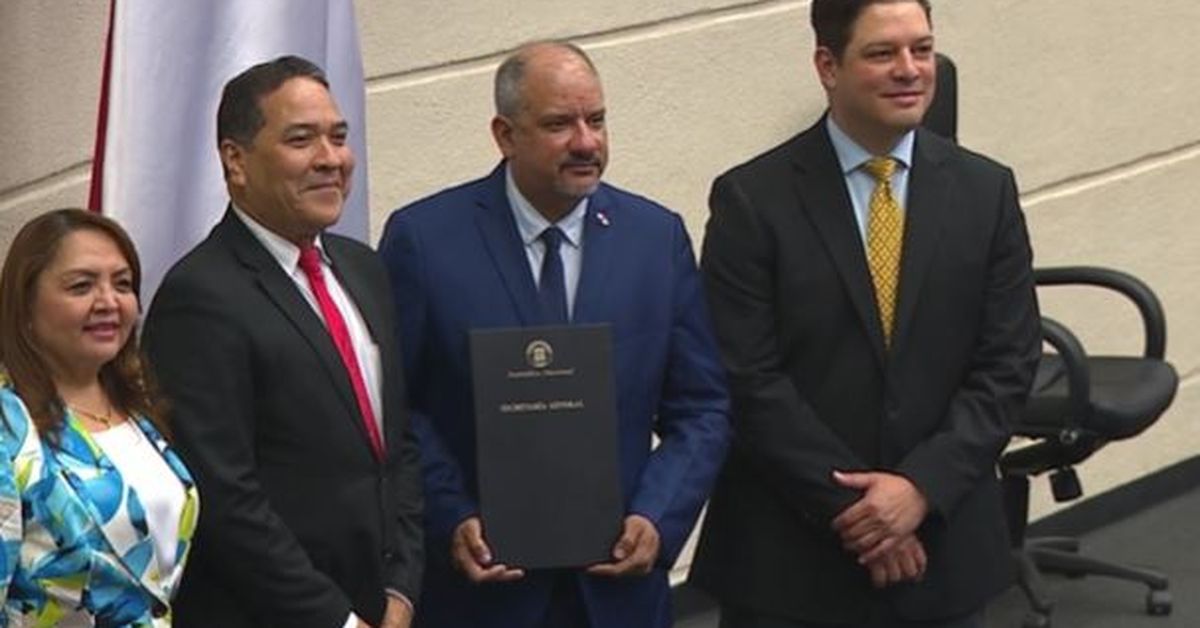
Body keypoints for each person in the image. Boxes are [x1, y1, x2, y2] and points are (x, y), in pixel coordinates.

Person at [688, 1, 1042, 627]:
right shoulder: (752, 200)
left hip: (943, 550)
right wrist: (861, 512)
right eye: (882, 53)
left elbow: (1008, 363)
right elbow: (747, 377)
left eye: (922, 49)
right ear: (828, 66)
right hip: (790, 561)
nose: (910, 69)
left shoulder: (986, 192)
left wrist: (919, 489)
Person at [378, 41, 730, 628]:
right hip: (481, 598)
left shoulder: (654, 239)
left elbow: (701, 407)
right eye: (559, 124)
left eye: (597, 120)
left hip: (618, 594)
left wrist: (657, 516)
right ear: (505, 135)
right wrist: (452, 515)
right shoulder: (425, 241)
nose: (586, 142)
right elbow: (397, 407)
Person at [142, 56, 422, 628]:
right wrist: (337, 620)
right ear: (235, 160)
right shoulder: (200, 296)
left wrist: (403, 588)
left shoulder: (363, 269)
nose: (331, 158)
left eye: (338, 137)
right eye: (301, 139)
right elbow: (225, 496)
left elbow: (397, 447)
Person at [0, 208, 199, 626]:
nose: (109, 302)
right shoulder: (8, 426)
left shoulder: (137, 405)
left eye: (122, 284)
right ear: (25, 306)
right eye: (82, 286)